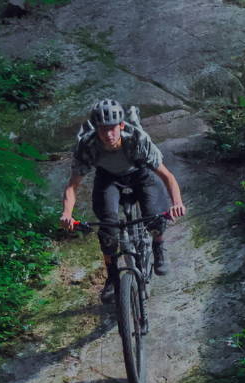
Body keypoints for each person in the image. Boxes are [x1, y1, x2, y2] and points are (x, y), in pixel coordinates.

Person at [60, 99, 187, 302]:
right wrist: (67, 213)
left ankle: (158, 246)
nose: (108, 135)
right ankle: (112, 277)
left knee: (154, 215)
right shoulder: (88, 145)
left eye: (112, 128)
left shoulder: (137, 138)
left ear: (121, 125)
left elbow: (167, 176)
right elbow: (73, 185)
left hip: (140, 173)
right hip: (108, 178)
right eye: (103, 130)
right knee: (108, 229)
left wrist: (177, 203)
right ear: (96, 129)